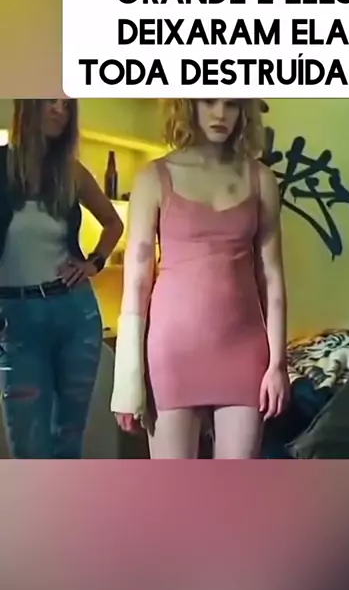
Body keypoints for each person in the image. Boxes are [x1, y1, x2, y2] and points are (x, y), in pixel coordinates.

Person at [111, 98, 290, 459]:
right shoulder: (153, 178)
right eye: (209, 102)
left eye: (232, 104)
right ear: (188, 106)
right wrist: (127, 379)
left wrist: (278, 364)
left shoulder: (260, 179)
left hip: (243, 351)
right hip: (172, 352)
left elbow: (271, 277)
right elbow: (137, 281)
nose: (221, 114)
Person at [0, 99, 124, 458]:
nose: (59, 111)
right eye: (50, 102)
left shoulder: (69, 171)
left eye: (66, 106)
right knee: (28, 445)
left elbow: (113, 223)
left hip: (74, 312)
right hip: (16, 321)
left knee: (69, 437)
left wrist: (94, 262)